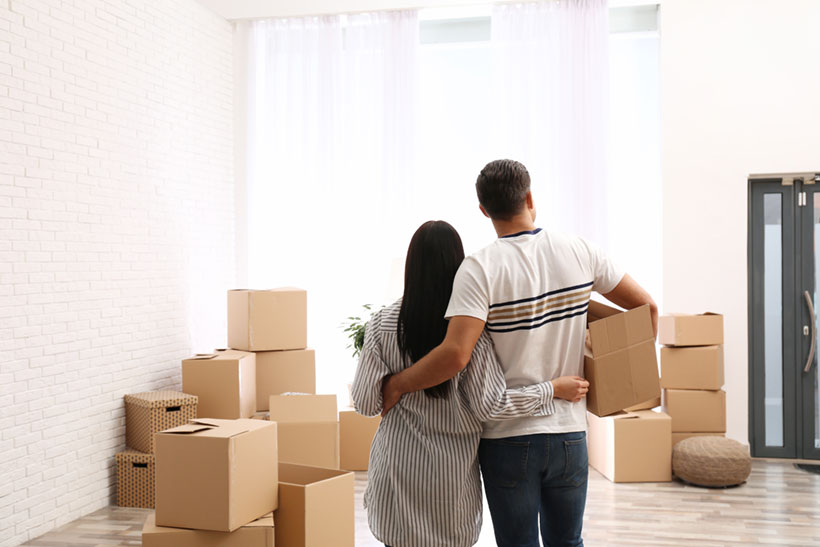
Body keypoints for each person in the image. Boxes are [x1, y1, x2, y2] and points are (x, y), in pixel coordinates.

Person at [381, 160, 658, 547]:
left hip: (507, 440)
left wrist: (397, 384)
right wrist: (623, 375)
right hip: (569, 434)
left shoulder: (478, 268)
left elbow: (456, 354)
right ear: (529, 196)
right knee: (568, 542)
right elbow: (647, 309)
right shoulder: (580, 250)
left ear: (483, 210)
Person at [352, 220, 590, 547]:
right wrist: (552, 389)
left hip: (396, 469)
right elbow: (490, 405)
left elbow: (365, 404)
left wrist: (394, 383)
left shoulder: (381, 325)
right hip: (450, 476)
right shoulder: (469, 332)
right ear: (457, 266)